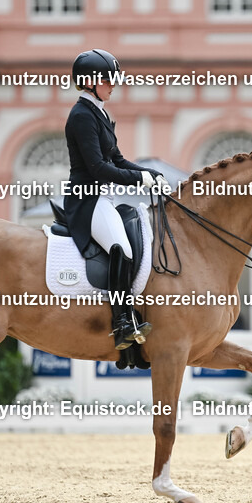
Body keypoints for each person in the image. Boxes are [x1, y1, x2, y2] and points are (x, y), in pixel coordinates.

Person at [65, 49, 167, 349]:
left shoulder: (101, 113)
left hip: (102, 198)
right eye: (108, 79)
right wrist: (139, 180)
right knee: (121, 247)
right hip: (87, 199)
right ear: (90, 81)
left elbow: (118, 160)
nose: (114, 85)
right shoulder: (82, 115)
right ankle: (122, 322)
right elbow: (98, 168)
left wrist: (150, 173)